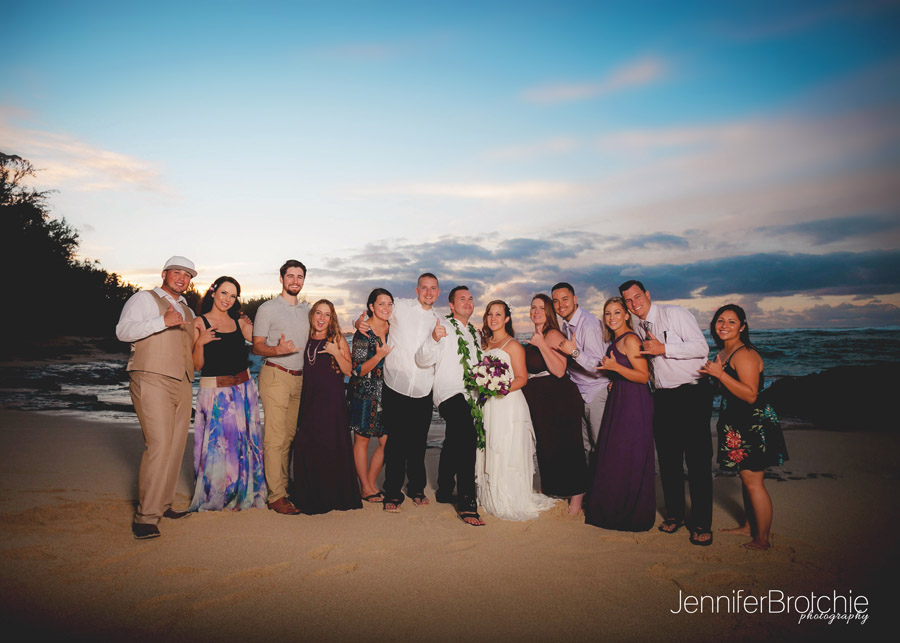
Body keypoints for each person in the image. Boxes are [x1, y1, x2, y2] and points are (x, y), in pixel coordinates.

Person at [619, 279, 714, 546]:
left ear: (648, 294)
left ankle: (702, 522)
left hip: (692, 393)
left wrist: (664, 348)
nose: (634, 303)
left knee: (697, 460)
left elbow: (701, 347)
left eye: (637, 297)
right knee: (669, 460)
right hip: (662, 397)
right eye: (628, 301)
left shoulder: (675, 314)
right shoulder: (638, 326)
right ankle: (675, 515)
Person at [115, 256, 197, 539]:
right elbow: (122, 331)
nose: (182, 278)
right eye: (177, 273)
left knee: (175, 446)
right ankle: (146, 518)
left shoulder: (188, 310)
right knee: (160, 443)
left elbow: (187, 347)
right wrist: (162, 320)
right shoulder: (144, 299)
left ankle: (163, 504)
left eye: (187, 275)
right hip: (151, 377)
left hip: (183, 381)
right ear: (164, 274)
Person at [700, 304, 788, 550]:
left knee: (754, 482)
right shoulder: (724, 352)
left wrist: (720, 374)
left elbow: (750, 395)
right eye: (720, 320)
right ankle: (749, 527)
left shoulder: (744, 354)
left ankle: (763, 539)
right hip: (736, 422)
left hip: (752, 423)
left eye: (731, 321)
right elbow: (727, 387)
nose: (724, 325)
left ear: (742, 327)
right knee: (746, 477)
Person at [357, 273, 440, 512]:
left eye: (433, 288)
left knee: (418, 444)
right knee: (395, 444)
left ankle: (416, 488)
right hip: (395, 386)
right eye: (424, 288)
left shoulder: (439, 319)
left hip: (423, 389)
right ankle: (393, 492)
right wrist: (358, 323)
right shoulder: (400, 307)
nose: (428, 292)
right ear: (417, 290)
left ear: (438, 292)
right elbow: (376, 314)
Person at [188, 276, 266, 512]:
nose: (227, 299)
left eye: (233, 296)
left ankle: (244, 491)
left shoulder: (238, 322)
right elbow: (197, 366)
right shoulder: (199, 322)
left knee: (244, 443)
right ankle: (218, 494)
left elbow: (261, 340)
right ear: (213, 292)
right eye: (224, 293)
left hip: (244, 389)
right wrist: (200, 343)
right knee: (219, 446)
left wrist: (255, 322)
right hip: (216, 393)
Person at [475, 300, 556, 521]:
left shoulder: (513, 345)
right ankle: (490, 495)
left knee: (505, 448)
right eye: (490, 314)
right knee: (489, 446)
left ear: (507, 319)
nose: (493, 318)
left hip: (507, 404)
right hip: (488, 404)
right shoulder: (484, 343)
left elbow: (521, 378)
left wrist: (498, 388)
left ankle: (509, 497)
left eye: (498, 314)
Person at [415, 285, 485, 526]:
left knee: (456, 438)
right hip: (448, 393)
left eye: (470, 298)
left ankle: (444, 489)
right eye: (461, 299)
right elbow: (422, 359)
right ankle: (467, 502)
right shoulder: (443, 326)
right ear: (452, 305)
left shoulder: (475, 334)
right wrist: (434, 339)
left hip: (470, 396)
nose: (467, 302)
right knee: (467, 435)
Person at [585, 297, 655, 531]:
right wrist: (615, 379)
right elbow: (628, 372)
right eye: (608, 313)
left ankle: (631, 513)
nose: (611, 317)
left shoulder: (631, 339)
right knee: (618, 453)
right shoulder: (616, 340)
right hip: (621, 397)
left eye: (617, 312)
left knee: (629, 453)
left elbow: (643, 376)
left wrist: (615, 368)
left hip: (634, 402)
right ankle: (615, 508)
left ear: (626, 315)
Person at [290, 300, 362, 515]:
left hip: (332, 401)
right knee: (305, 443)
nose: (322, 318)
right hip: (310, 399)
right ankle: (310, 494)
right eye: (318, 313)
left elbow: (349, 370)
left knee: (329, 445)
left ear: (332, 319)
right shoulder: (305, 336)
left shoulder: (336, 338)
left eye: (327, 315)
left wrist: (335, 352)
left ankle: (331, 495)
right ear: (312, 315)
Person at [252, 260, 310, 515]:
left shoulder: (307, 310)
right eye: (290, 276)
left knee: (289, 436)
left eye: (299, 276)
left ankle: (283, 485)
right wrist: (278, 350)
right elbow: (257, 346)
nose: (295, 280)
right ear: (281, 278)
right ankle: (276, 496)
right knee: (275, 438)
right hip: (275, 375)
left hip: (300, 379)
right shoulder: (268, 309)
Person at [521, 294, 587, 514]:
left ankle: (577, 494)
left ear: (549, 311)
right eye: (533, 307)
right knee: (547, 446)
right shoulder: (536, 336)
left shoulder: (552, 334)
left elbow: (559, 370)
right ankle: (551, 488)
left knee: (569, 446)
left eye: (541, 307)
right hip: (541, 401)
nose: (536, 311)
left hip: (559, 398)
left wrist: (541, 345)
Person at [550, 283, 610, 469]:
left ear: (575, 299)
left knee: (602, 447)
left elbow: (599, 366)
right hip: (580, 393)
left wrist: (575, 353)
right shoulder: (566, 325)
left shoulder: (588, 325)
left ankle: (608, 486)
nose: (560, 305)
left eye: (565, 299)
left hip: (595, 393)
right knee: (586, 448)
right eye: (556, 301)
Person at [348, 288, 394, 503]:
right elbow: (356, 370)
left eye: (389, 304)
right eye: (381, 304)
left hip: (388, 391)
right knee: (362, 439)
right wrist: (378, 356)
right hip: (364, 391)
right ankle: (365, 487)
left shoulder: (393, 328)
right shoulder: (363, 332)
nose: (386, 308)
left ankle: (371, 484)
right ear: (371, 307)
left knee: (388, 442)